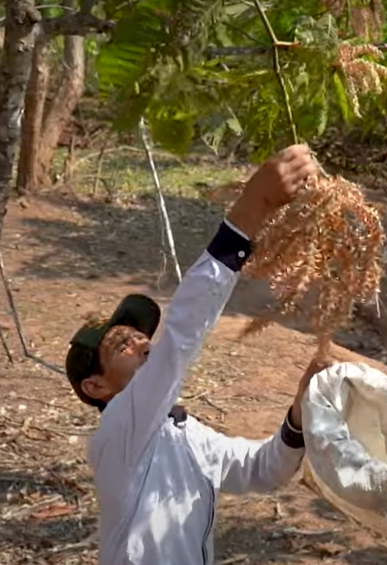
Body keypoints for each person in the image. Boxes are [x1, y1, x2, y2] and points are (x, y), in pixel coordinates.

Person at [63, 144, 330, 565]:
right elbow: (181, 335)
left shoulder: (190, 436)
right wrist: (251, 208)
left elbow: (264, 469)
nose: (139, 341)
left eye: (137, 334)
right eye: (120, 344)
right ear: (96, 386)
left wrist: (299, 412)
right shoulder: (116, 432)